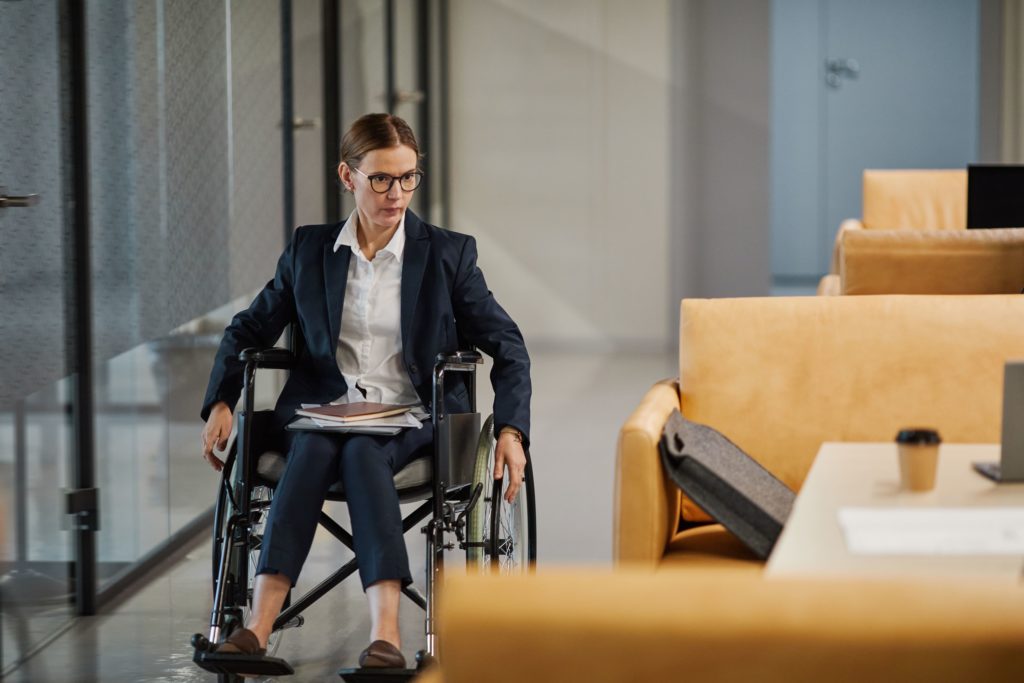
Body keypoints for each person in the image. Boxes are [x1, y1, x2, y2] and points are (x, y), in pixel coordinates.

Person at [199, 113, 531, 669]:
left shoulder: (448, 255)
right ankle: (256, 628)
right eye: (380, 178)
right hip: (322, 413)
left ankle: (386, 636)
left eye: (407, 178)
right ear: (347, 176)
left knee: (360, 449)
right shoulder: (310, 251)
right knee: (315, 444)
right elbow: (248, 330)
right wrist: (221, 400)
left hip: (414, 418)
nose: (396, 194)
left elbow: (508, 344)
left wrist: (513, 430)